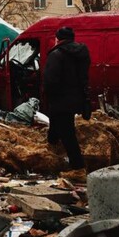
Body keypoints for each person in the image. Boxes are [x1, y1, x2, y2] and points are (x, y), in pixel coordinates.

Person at [43, 26, 91, 183]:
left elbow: (50, 81)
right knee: (57, 124)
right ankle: (52, 146)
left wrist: (49, 95)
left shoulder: (57, 54)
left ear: (58, 38)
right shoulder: (81, 53)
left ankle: (78, 168)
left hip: (60, 100)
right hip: (76, 99)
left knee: (68, 133)